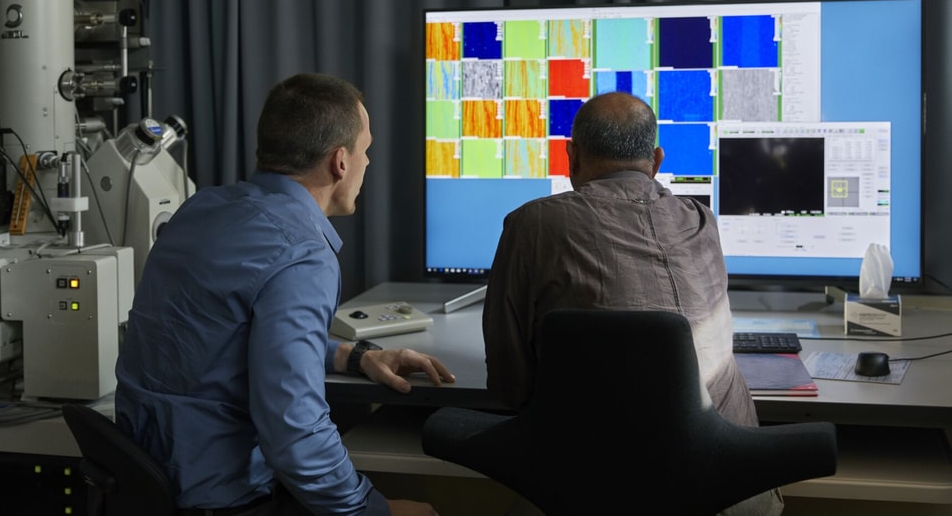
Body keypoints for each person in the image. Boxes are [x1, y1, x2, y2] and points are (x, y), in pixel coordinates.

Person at [115, 73, 455, 516]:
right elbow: (294, 435)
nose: (367, 162)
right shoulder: (302, 254)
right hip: (224, 499)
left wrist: (354, 355)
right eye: (365, 150)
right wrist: (372, 511)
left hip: (148, 482)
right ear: (340, 162)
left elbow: (234, 341)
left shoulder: (199, 208)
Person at [481, 91, 784, 516]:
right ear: (656, 160)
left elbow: (511, 387)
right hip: (730, 490)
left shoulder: (531, 223)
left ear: (572, 156)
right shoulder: (702, 220)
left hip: (593, 490)